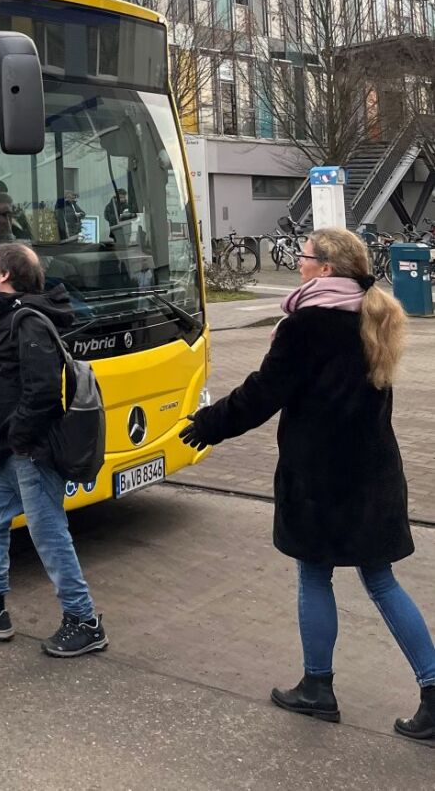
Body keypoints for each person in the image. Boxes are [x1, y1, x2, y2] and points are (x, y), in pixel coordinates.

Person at [181, 226, 435, 741]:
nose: (297, 263)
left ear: (324, 269)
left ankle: (318, 688)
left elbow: (261, 393)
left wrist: (208, 425)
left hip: (319, 479)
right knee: (380, 580)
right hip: (373, 473)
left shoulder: (308, 324)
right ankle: (430, 689)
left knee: (314, 575)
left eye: (304, 257)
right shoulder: (372, 312)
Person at [0, 241, 106, 658]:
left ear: (6, 277)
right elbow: (15, 372)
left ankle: (84, 621)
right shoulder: (9, 318)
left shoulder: (28, 322)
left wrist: (17, 438)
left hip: (27, 451)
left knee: (48, 532)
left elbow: (42, 391)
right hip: (5, 449)